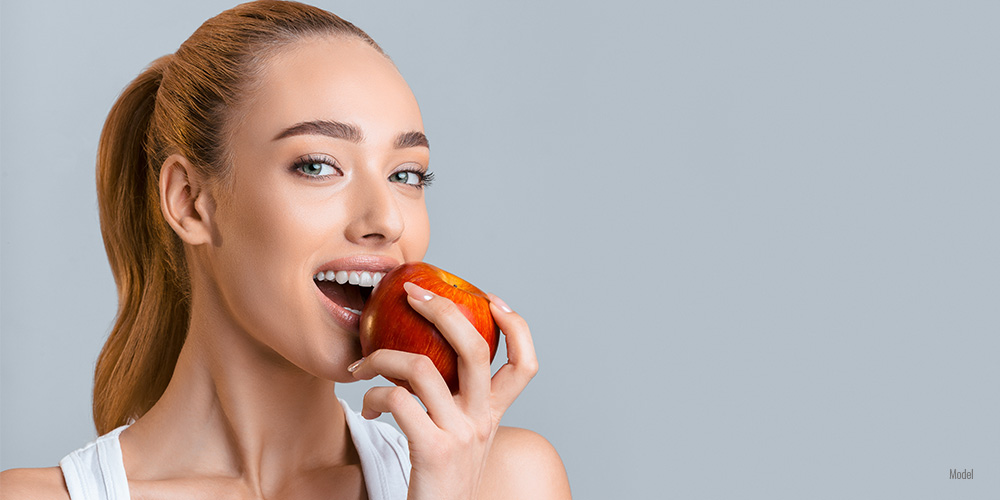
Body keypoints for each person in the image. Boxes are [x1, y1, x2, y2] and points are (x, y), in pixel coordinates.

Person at [0, 2, 571, 499]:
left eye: (407, 174)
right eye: (318, 166)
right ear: (191, 202)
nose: (386, 220)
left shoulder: (502, 481)